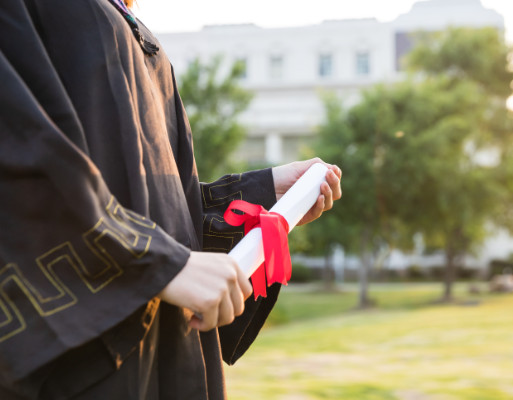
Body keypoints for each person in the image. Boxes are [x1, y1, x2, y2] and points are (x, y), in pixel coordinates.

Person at [0, 0, 342, 398]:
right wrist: (154, 260)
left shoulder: (122, 15)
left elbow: (155, 204)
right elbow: (18, 160)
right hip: (94, 357)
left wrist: (259, 195)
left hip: (169, 342)